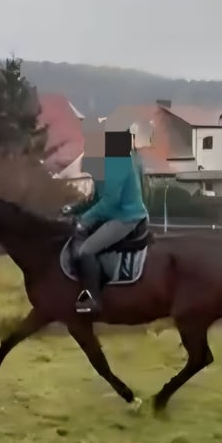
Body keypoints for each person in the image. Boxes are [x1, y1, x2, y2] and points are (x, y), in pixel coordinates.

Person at [62, 130, 148, 314]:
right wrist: (73, 209)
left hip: (126, 218)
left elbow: (110, 202)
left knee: (86, 250)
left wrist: (84, 220)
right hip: (114, 214)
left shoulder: (116, 163)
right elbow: (97, 199)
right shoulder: (105, 163)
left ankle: (93, 299)